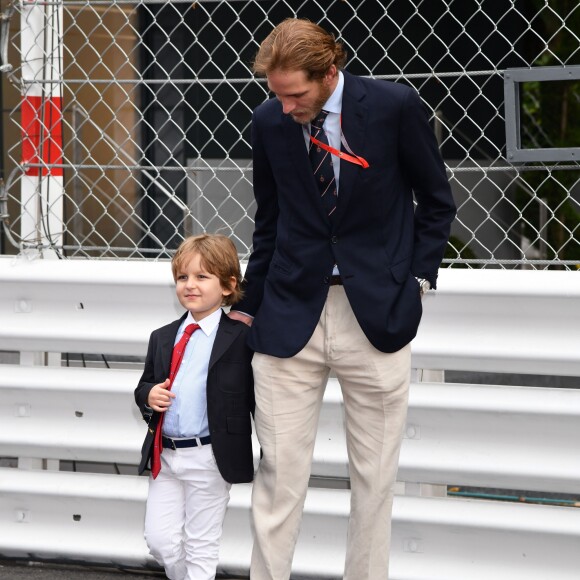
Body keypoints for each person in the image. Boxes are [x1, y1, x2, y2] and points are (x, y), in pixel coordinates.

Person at [228, 18, 456, 580]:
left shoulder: (394, 107)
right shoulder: (269, 121)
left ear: (329, 73)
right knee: (280, 473)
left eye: (295, 94)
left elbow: (436, 201)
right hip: (288, 314)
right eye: (276, 95)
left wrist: (416, 281)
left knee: (375, 478)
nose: (284, 107)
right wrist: (248, 305)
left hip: (376, 314)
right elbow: (270, 220)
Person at [135, 233, 255, 580]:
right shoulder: (162, 336)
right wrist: (148, 396)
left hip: (210, 457)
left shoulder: (242, 337)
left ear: (229, 285)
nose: (190, 285)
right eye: (183, 277)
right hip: (167, 455)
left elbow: (255, 394)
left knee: (201, 545)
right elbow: (145, 384)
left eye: (202, 277)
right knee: (160, 541)